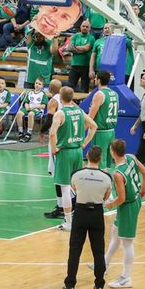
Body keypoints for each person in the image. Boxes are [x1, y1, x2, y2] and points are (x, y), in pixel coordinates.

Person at [63, 145, 112, 289]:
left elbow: (74, 189)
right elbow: (106, 197)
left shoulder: (76, 174)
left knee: (75, 249)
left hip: (81, 212)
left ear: (88, 157)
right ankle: (99, 285)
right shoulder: (106, 177)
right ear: (100, 159)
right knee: (98, 250)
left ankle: (70, 284)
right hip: (96, 213)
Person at [101, 139, 145, 289]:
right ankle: (103, 264)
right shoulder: (131, 157)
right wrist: (143, 188)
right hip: (134, 200)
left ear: (112, 152)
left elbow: (121, 198)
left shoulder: (117, 174)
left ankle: (126, 278)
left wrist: (110, 204)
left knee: (127, 242)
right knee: (115, 232)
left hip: (128, 206)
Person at [50, 86, 97, 231]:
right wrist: (84, 143)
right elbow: (94, 126)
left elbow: (52, 133)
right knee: (78, 186)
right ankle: (83, 215)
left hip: (65, 152)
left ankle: (69, 222)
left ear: (60, 97)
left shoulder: (60, 113)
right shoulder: (79, 111)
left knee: (65, 188)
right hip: (77, 151)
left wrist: (54, 149)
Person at [87, 70, 118, 169]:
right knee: (107, 164)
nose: (94, 80)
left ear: (99, 80)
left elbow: (91, 117)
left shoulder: (99, 94)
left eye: (96, 78)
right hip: (111, 131)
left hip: (101, 132)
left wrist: (82, 130)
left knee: (99, 163)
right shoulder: (114, 93)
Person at [16, 77, 47, 142]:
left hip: (37, 110)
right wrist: (27, 106)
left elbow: (43, 106)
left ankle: (29, 133)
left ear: (42, 86)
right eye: (36, 83)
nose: (37, 85)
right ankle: (20, 132)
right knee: (19, 113)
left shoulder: (43, 94)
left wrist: (34, 107)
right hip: (29, 108)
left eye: (39, 84)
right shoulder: (30, 92)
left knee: (31, 114)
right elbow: (26, 102)